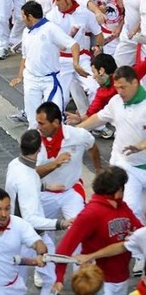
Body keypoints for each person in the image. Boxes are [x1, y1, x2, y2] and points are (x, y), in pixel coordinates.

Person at [52, 167, 143, 295]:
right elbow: (64, 248)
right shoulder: (90, 213)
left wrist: (134, 235)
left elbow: (140, 231)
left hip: (120, 277)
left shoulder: (122, 207)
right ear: (118, 190)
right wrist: (59, 278)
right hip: (99, 282)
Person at [5, 129, 74, 293]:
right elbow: (31, 219)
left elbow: (22, 186)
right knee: (48, 278)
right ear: (39, 149)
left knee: (17, 280)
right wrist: (61, 223)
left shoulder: (15, 164)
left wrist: (45, 186)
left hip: (15, 231)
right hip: (30, 237)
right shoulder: (27, 178)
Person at [76, 66, 146, 222]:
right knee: (132, 209)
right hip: (128, 167)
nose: (119, 91)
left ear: (135, 83)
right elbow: (100, 118)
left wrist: (142, 145)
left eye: (123, 87)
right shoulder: (116, 102)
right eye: (116, 87)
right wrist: (75, 130)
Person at [9, 1, 87, 128]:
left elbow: (73, 44)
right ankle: (37, 145)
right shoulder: (26, 32)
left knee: (54, 117)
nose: (22, 19)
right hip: (31, 79)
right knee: (33, 120)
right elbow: (25, 56)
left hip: (50, 81)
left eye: (23, 16)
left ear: (30, 16)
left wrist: (76, 64)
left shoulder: (51, 28)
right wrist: (20, 76)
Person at [35, 102, 101, 218]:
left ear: (55, 123)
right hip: (43, 194)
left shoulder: (78, 135)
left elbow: (92, 146)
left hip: (71, 191)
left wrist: (98, 169)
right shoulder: (33, 141)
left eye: (41, 124)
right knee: (39, 232)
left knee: (80, 231)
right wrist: (55, 164)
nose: (38, 127)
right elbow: (31, 174)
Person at [48, 0, 103, 116]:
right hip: (61, 60)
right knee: (61, 98)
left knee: (94, 87)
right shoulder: (51, 16)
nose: (55, 3)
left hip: (83, 58)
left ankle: (96, 124)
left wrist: (98, 47)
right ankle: (57, 126)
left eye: (58, 0)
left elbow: (98, 33)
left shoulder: (85, 13)